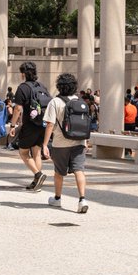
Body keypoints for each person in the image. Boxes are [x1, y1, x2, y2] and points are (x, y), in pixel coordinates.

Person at [41, 72, 90, 213]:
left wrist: (45, 144)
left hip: (60, 144)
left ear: (59, 86)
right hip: (79, 141)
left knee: (59, 172)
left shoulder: (55, 102)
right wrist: (85, 141)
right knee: (79, 170)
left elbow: (50, 125)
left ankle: (57, 198)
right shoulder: (80, 102)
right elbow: (84, 124)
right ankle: (82, 199)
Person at [9, 62, 49, 192]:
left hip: (30, 125)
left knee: (23, 152)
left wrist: (13, 125)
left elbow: (18, 109)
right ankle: (37, 182)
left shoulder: (23, 88)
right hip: (42, 125)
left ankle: (38, 174)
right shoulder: (42, 86)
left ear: (23, 74)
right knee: (36, 152)